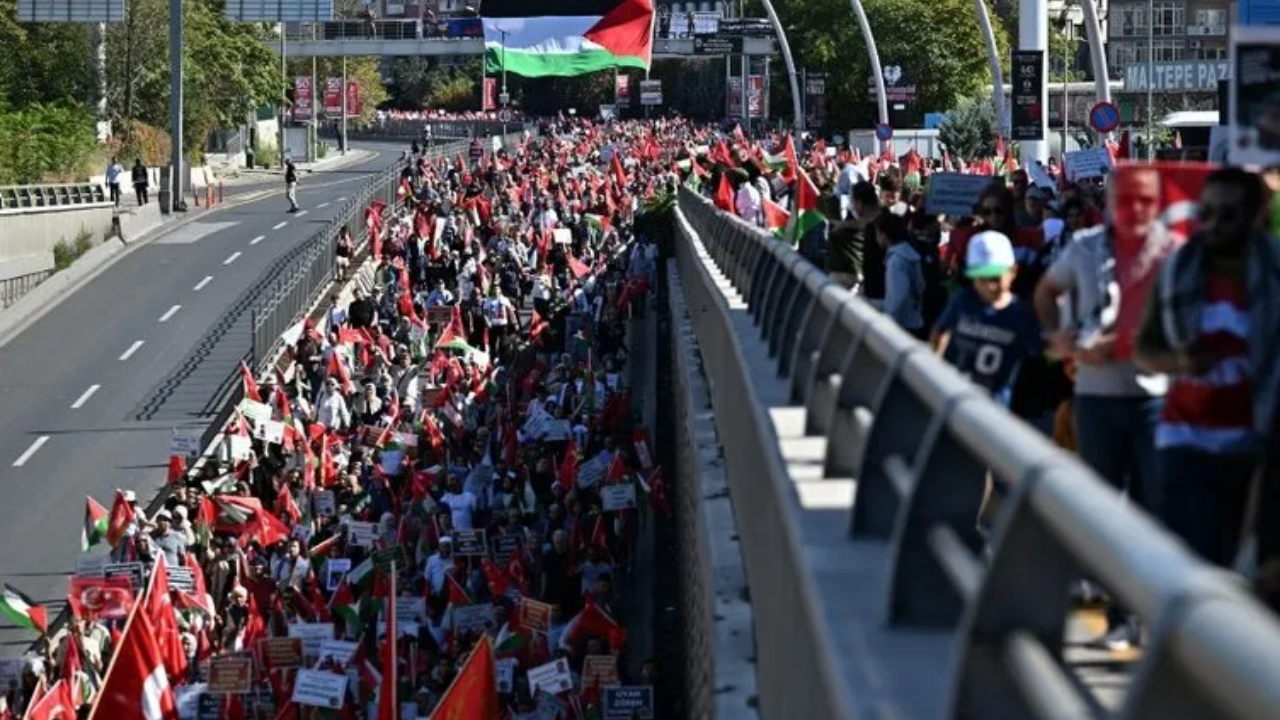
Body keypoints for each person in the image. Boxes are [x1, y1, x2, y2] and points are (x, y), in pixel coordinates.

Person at [1033, 165, 1172, 650]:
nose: (1134, 208)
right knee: (1102, 509)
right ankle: (1117, 609)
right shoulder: (1085, 247)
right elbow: (1046, 293)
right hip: (1096, 398)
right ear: (1109, 201)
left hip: (1155, 400)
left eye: (1143, 199)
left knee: (1154, 511)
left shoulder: (1171, 252)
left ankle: (1144, 612)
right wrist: (1059, 338)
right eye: (1124, 198)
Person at [1134, 167, 1280, 569]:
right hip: (1185, 439)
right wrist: (1180, 362)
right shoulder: (1178, 272)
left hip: (1255, 445)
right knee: (1190, 561)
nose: (1213, 224)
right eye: (1206, 212)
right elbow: (1144, 350)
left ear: (1254, 216)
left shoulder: (1274, 276)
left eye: (1227, 214)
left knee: (1244, 570)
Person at [931, 230, 1043, 409]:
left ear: (1013, 271)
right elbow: (940, 332)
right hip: (951, 396)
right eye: (981, 277)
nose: (989, 285)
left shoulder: (1020, 314)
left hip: (992, 406)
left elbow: (1039, 351)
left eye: (995, 276)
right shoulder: (962, 301)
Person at [875, 212, 925, 338]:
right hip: (915, 320)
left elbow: (897, 297)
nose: (876, 238)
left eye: (877, 233)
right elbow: (921, 286)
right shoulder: (910, 254)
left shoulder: (896, 261)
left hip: (901, 327)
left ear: (884, 235)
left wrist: (886, 323)